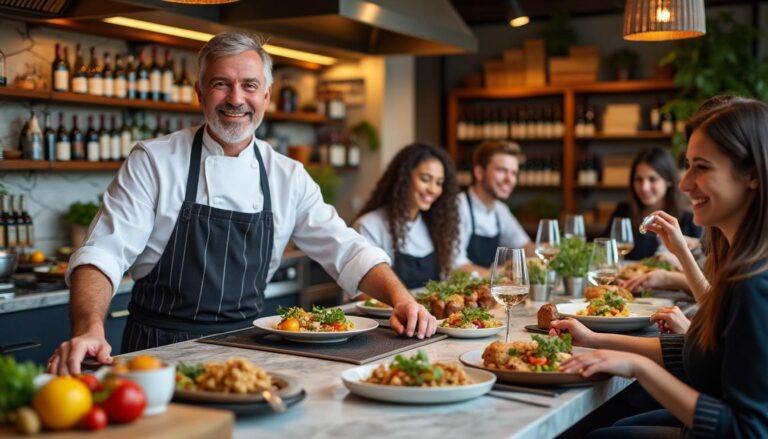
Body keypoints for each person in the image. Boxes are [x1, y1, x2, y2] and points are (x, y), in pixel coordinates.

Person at [48, 32, 436, 376]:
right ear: (200, 93)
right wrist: (89, 330)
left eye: (249, 85)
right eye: (221, 84)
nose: (236, 99)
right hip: (158, 353)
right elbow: (103, 254)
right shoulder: (154, 160)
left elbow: (348, 251)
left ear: (266, 96)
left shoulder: (287, 176)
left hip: (249, 352)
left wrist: (401, 299)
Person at [551, 96, 768, 437]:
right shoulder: (742, 263)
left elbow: (748, 430)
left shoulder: (753, 281)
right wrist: (593, 338)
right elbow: (706, 351)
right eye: (688, 165)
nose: (683, 183)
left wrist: (639, 368)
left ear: (752, 174)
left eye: (702, 167)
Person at [354, 143, 464, 289]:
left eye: (439, 183)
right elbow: (361, 291)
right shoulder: (369, 226)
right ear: (404, 177)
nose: (433, 189)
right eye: (425, 179)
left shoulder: (435, 227)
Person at [606, 147, 701, 261]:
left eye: (652, 179)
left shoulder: (690, 219)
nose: (644, 187)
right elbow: (604, 252)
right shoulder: (623, 212)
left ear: (668, 181)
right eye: (639, 179)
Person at [458, 140, 535, 271]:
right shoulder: (459, 207)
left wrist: (545, 256)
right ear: (479, 172)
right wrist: (499, 274)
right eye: (502, 170)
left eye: (514, 173)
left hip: (489, 289)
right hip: (460, 290)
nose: (509, 179)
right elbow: (456, 267)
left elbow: (524, 245)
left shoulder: (500, 210)